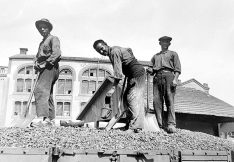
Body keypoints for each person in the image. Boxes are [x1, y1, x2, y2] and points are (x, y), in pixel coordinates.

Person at [93, 40, 146, 133]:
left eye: (102, 48)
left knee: (132, 99)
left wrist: (113, 88)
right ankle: (129, 125)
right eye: (99, 51)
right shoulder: (115, 50)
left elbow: (118, 73)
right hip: (131, 75)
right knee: (126, 100)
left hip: (137, 74)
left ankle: (135, 127)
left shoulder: (113, 52)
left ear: (106, 44)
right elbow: (129, 50)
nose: (101, 51)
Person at [147, 36, 181, 133]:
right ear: (160, 44)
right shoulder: (155, 56)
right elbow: (151, 69)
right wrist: (150, 70)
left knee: (169, 100)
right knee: (157, 102)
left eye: (166, 42)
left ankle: (171, 125)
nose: (164, 44)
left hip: (169, 76)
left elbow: (177, 69)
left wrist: (175, 79)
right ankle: (160, 125)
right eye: (162, 42)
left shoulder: (173, 54)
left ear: (169, 44)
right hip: (157, 78)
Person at [31, 18, 61, 127]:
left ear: (49, 28)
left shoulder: (53, 38)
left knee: (40, 91)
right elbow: (38, 57)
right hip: (44, 68)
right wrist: (36, 64)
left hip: (50, 67)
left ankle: (43, 119)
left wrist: (44, 64)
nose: (42, 29)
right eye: (40, 28)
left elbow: (57, 53)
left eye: (44, 27)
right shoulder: (41, 43)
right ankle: (50, 119)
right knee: (47, 93)